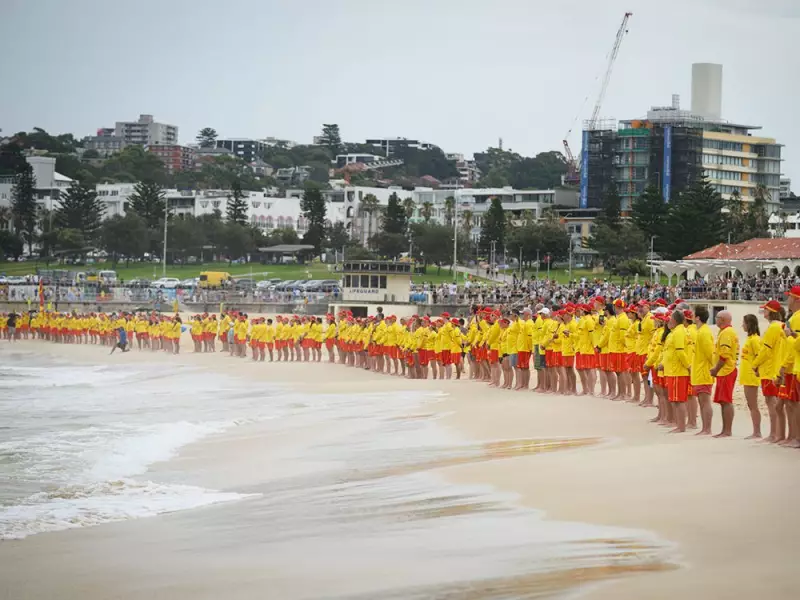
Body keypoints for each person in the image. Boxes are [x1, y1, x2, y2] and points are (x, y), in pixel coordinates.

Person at [751, 300, 786, 444]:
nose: (763, 312)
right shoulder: (781, 326)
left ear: (771, 312)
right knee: (776, 404)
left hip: (769, 369)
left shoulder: (773, 328)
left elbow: (765, 350)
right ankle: (778, 433)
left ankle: (774, 433)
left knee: (771, 402)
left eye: (765, 310)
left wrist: (755, 364)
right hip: (775, 368)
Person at [709, 310, 739, 437]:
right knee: (723, 400)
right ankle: (725, 430)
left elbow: (724, 355)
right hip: (724, 371)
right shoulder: (725, 332)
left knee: (726, 400)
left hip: (726, 370)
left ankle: (727, 430)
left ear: (722, 319)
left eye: (717, 318)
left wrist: (716, 369)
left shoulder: (727, 333)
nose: (715, 320)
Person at [660, 310, 690, 433]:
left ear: (675, 320)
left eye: (670, 318)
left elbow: (680, 351)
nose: (668, 321)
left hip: (677, 370)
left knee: (679, 400)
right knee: (675, 400)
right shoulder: (675, 332)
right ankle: (679, 424)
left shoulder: (678, 332)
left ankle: (681, 426)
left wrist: (688, 366)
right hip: (672, 370)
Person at [691, 306, 715, 436]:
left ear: (698, 317)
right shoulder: (700, 331)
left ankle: (707, 428)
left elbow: (710, 354)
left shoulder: (704, 332)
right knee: (701, 401)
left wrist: (714, 370)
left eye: (693, 314)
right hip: (699, 371)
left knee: (705, 401)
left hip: (704, 372)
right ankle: (704, 428)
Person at [739, 314, 762, 439]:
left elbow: (760, 355)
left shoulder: (755, 340)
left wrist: (756, 370)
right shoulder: (750, 339)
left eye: (744, 322)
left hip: (751, 376)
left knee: (753, 404)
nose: (742, 325)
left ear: (749, 324)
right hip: (746, 375)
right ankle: (756, 431)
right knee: (750, 404)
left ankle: (757, 432)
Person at [782, 286, 800, 447]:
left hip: (795, 366)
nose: (787, 300)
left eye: (790, 297)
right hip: (793, 365)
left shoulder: (796, 318)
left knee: (794, 404)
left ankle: (796, 437)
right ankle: (793, 436)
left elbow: (795, 345)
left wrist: (791, 336)